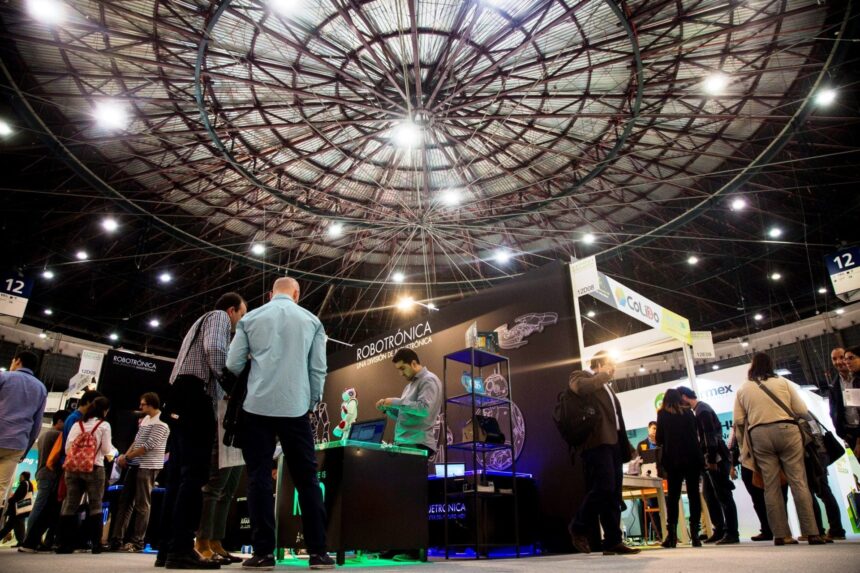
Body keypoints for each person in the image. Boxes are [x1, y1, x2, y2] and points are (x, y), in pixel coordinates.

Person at [226, 277, 334, 571]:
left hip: (256, 407)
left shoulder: (250, 319)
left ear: (270, 294)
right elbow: (318, 368)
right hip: (296, 408)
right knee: (307, 480)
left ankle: (262, 554)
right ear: (297, 294)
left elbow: (233, 363)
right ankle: (318, 553)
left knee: (258, 478)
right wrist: (312, 402)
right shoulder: (312, 322)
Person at [158, 292, 247, 570]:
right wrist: (233, 386)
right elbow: (215, 352)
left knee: (177, 478)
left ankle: (168, 549)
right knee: (194, 476)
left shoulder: (198, 324)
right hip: (195, 398)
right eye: (242, 315)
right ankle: (182, 549)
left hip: (179, 397)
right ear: (232, 310)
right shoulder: (218, 317)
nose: (240, 322)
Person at [732, 352, 824, 546]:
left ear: (752, 366)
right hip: (787, 430)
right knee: (798, 482)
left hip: (759, 435)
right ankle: (812, 533)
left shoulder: (743, 388)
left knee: (771, 486)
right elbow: (801, 410)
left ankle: (781, 535)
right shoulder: (783, 383)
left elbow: (738, 421)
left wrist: (743, 447)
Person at [567, 352, 640, 556]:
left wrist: (626, 445)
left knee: (614, 493)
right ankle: (578, 526)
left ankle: (613, 541)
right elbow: (579, 388)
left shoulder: (607, 386)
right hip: (597, 443)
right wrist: (602, 375)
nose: (613, 369)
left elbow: (615, 419)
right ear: (598, 364)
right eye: (610, 364)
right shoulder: (580, 375)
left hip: (613, 443)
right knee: (604, 487)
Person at [677, 385, 739, 544]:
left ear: (684, 397)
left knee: (723, 495)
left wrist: (711, 460)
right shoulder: (699, 410)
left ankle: (732, 532)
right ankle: (720, 529)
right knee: (710, 496)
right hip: (709, 459)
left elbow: (710, 437)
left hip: (716, 459)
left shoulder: (702, 410)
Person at [109, 392, 170, 552]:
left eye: (143, 404)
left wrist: (127, 457)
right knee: (125, 502)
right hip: (135, 464)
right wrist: (126, 456)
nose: (140, 407)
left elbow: (147, 446)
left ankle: (137, 541)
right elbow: (137, 442)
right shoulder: (145, 420)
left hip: (148, 466)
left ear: (151, 404)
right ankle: (117, 539)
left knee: (142, 504)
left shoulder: (162, 422)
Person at [56, 396, 115, 554]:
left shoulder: (78, 424)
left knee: (70, 504)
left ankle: (63, 543)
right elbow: (106, 449)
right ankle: (95, 544)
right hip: (94, 467)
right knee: (95, 505)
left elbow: (67, 448)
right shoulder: (104, 425)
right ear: (105, 410)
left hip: (73, 469)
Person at [0, 351, 47, 511]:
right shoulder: (41, 388)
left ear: (17, 361)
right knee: (1, 489)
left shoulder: (4, 377)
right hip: (17, 445)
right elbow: (37, 425)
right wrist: (25, 451)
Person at [655, 389, 702, 548]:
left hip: (674, 460)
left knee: (673, 497)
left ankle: (672, 536)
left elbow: (659, 439)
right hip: (693, 458)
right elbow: (695, 433)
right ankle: (695, 535)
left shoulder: (662, 414)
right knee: (694, 494)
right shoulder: (689, 413)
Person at [376, 348, 444, 455]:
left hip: (417, 444)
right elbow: (405, 415)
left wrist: (394, 402)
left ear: (413, 363)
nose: (400, 373)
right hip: (407, 443)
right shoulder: (409, 386)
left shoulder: (429, 380)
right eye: (398, 369)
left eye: (402, 368)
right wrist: (388, 409)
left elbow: (424, 409)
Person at [18, 410, 68, 552]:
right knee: (40, 507)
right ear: (60, 421)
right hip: (49, 473)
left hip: (41, 472)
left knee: (40, 506)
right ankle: (30, 539)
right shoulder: (57, 435)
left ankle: (32, 539)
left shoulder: (44, 434)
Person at [832, 347, 860, 461]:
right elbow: (833, 411)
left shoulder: (857, 379)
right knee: (856, 466)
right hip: (849, 434)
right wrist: (842, 434)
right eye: (834, 359)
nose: (839, 362)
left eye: (842, 357)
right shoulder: (834, 385)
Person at [0, 472, 33, 546]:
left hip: (16, 510)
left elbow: (19, 496)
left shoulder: (24, 483)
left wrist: (10, 500)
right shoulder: (29, 484)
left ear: (23, 476)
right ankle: (21, 542)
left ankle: (21, 542)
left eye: (20, 476)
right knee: (17, 526)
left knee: (8, 526)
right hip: (21, 510)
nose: (19, 478)